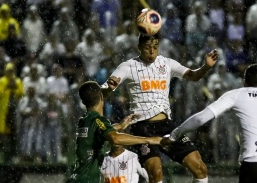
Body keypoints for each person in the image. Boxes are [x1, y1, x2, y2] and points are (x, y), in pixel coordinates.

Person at [101, 33, 218, 183]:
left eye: (155, 47)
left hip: (167, 126)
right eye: (147, 47)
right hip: (142, 128)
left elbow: (193, 76)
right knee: (156, 173)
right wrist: (108, 89)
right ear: (139, 48)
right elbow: (103, 90)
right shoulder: (127, 66)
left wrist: (206, 67)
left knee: (200, 168)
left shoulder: (167, 63)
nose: (152, 51)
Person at [160, 64, 257, 183]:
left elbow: (200, 119)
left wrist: (173, 136)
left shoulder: (236, 95)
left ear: (244, 82)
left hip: (252, 163)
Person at [66, 81, 162, 183]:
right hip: (87, 180)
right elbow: (115, 139)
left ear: (83, 102)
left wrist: (120, 126)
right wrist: (149, 140)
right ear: (101, 97)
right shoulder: (98, 120)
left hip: (77, 178)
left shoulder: (84, 120)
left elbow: (98, 131)